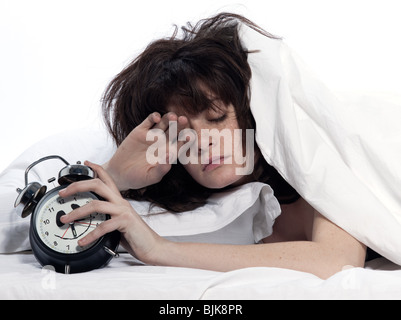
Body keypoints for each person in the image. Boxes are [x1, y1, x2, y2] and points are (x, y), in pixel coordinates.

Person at [60, 13, 367, 279]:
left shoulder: (314, 161)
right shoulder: (192, 205)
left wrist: (159, 249)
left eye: (217, 117)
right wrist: (115, 176)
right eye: (181, 132)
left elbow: (337, 262)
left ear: (253, 113)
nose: (203, 141)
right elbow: (28, 228)